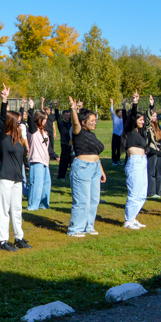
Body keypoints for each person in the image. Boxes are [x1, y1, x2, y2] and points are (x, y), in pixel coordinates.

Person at [0, 85, 32, 252]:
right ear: (11, 122)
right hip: (4, 178)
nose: (20, 123)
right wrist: (4, 100)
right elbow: (2, 120)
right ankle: (3, 241)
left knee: (17, 209)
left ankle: (19, 237)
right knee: (4, 211)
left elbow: (23, 157)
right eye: (18, 121)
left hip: (17, 178)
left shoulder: (19, 139)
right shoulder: (2, 138)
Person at [66, 96, 106, 237]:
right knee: (82, 200)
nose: (94, 123)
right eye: (92, 121)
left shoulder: (91, 134)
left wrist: (101, 170)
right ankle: (75, 229)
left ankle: (88, 226)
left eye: (95, 120)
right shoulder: (78, 132)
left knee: (94, 200)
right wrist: (73, 109)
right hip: (82, 167)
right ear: (84, 122)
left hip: (94, 167)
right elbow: (75, 122)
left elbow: (95, 153)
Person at [122, 91, 148, 230]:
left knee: (142, 192)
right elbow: (132, 116)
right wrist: (135, 103)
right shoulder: (130, 130)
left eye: (143, 120)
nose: (142, 122)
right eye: (140, 120)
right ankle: (128, 220)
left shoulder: (140, 133)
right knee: (134, 192)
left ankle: (133, 217)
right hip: (135, 162)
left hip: (143, 162)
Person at [26, 106, 52, 211]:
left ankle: (43, 204)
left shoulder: (45, 132)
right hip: (36, 160)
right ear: (39, 119)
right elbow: (30, 119)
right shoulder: (33, 130)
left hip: (45, 161)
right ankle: (33, 205)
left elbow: (46, 147)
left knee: (46, 184)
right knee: (36, 184)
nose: (46, 121)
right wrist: (31, 109)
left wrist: (54, 155)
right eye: (44, 119)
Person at [145, 96, 161, 198]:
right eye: (153, 116)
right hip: (152, 151)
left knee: (160, 173)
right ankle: (152, 192)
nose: (154, 118)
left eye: (156, 116)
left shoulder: (158, 126)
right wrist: (151, 105)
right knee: (152, 172)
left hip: (159, 151)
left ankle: (159, 192)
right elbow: (147, 117)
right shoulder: (148, 126)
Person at [110, 98, 124, 166]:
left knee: (119, 149)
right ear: (117, 113)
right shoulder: (114, 117)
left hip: (121, 136)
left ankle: (118, 160)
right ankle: (114, 161)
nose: (121, 113)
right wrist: (112, 103)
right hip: (115, 135)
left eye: (121, 112)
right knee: (114, 149)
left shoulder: (123, 119)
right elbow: (111, 111)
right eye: (119, 112)